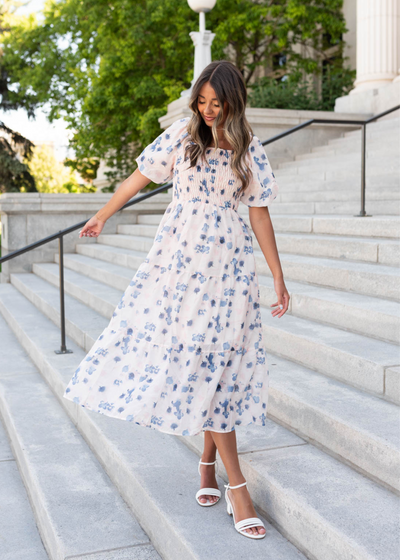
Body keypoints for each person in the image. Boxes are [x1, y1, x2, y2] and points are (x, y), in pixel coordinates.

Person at [63, 60, 290, 539]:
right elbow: (138, 178)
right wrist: (101, 215)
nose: (208, 111)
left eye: (217, 103)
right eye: (202, 101)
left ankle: (210, 463)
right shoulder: (182, 139)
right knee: (203, 360)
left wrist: (277, 276)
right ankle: (237, 487)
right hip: (180, 267)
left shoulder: (250, 151)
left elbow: (261, 216)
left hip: (229, 268)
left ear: (233, 103)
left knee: (221, 365)